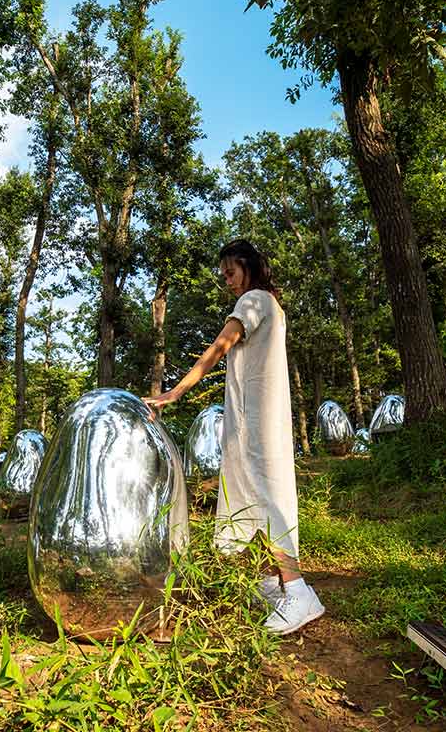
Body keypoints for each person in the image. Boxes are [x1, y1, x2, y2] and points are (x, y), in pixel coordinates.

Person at [144, 239, 324, 635]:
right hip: (256, 419)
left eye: (230, 272)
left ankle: (298, 590)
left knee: (267, 497)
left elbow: (217, 348)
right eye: (223, 275)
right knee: (254, 496)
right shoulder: (272, 305)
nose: (227, 281)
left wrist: (175, 392)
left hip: (258, 421)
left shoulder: (253, 300)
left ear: (248, 266)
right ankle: (274, 584)